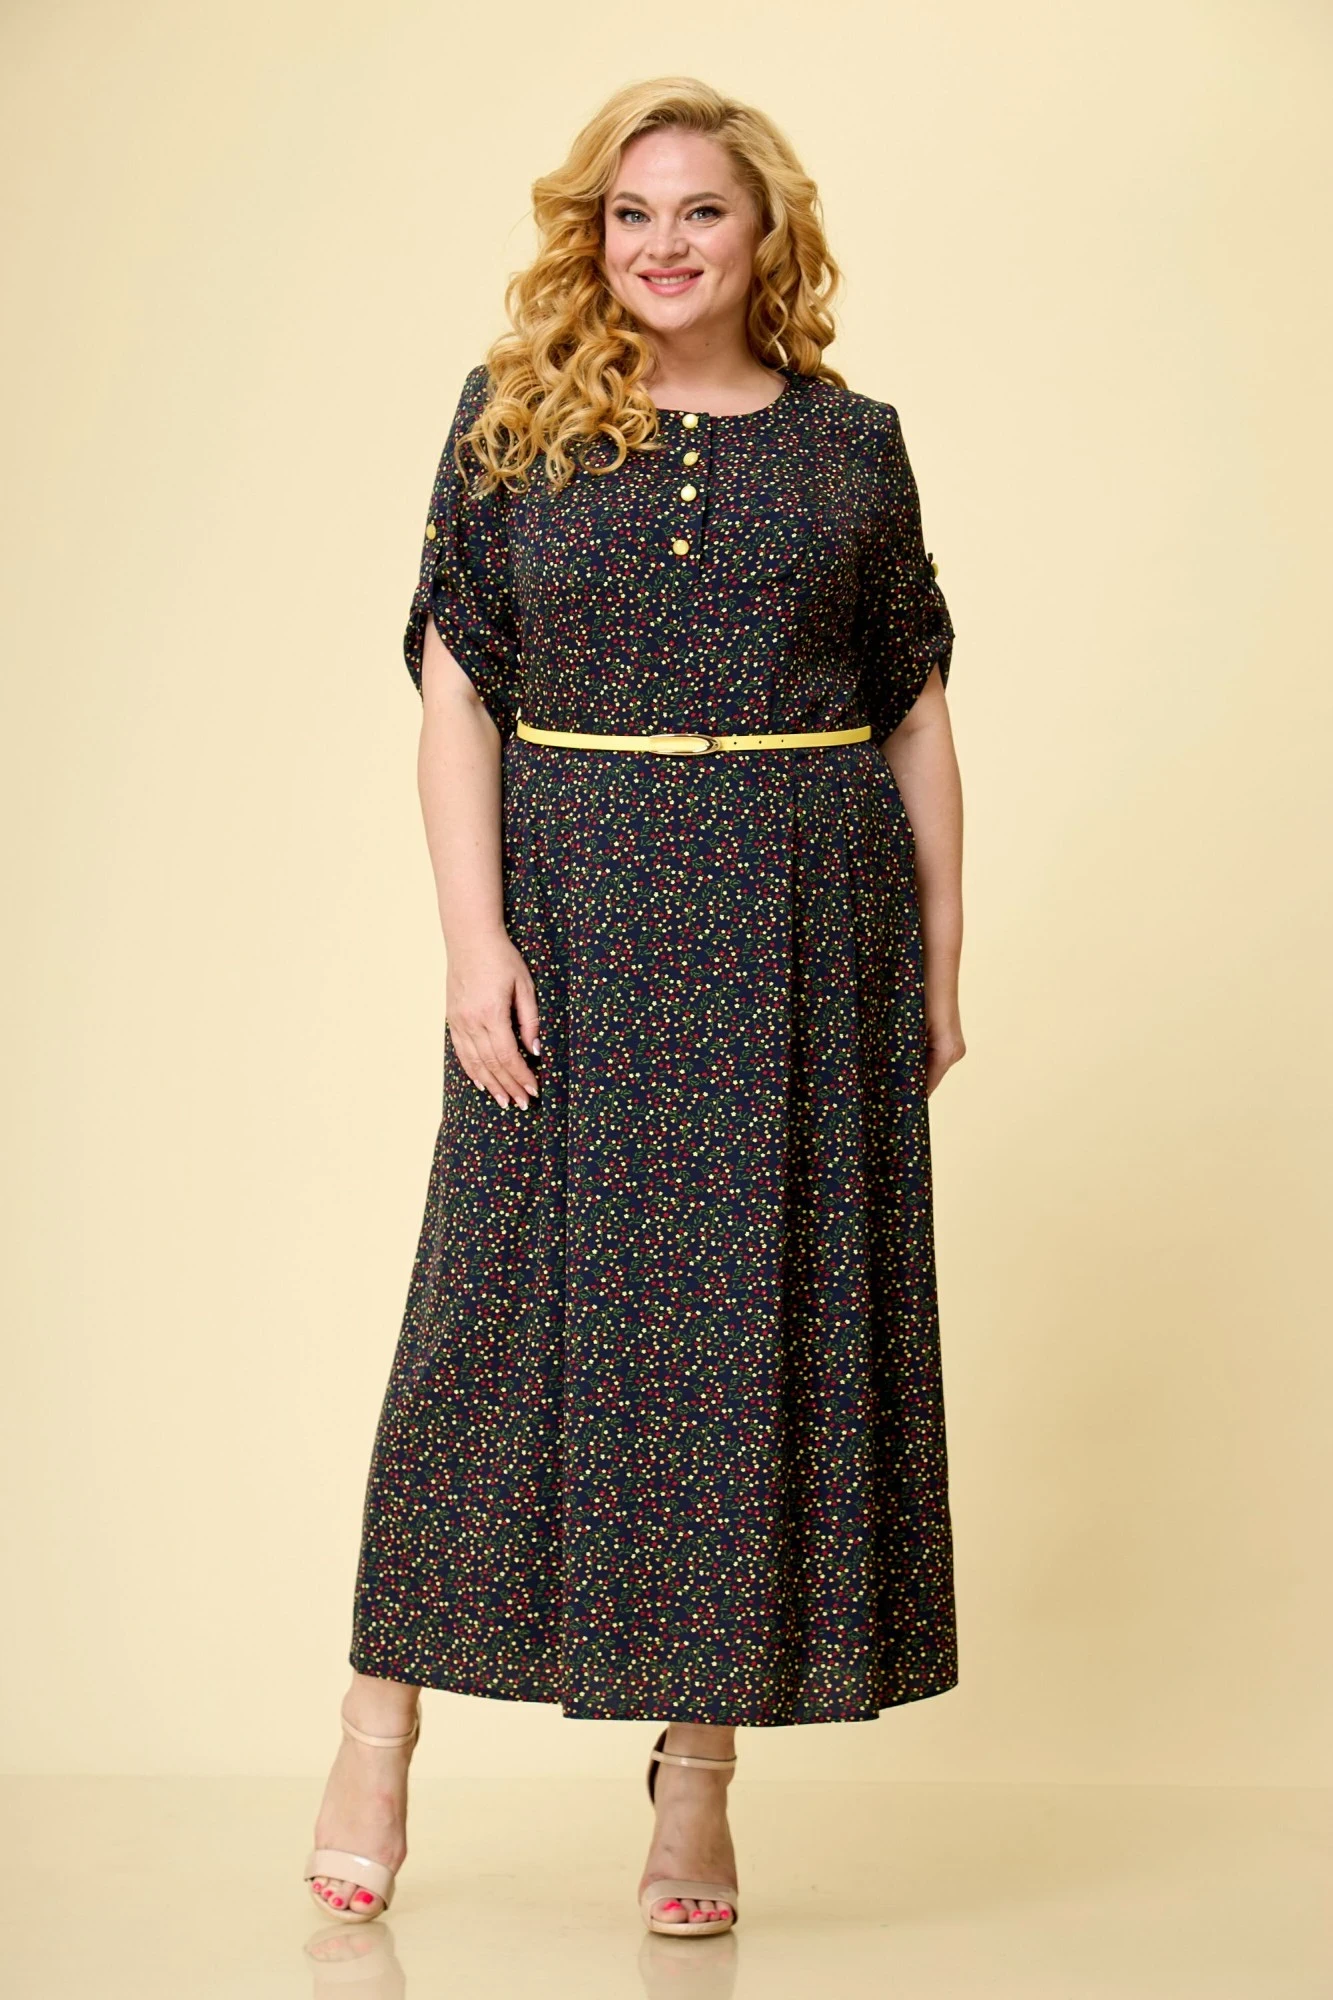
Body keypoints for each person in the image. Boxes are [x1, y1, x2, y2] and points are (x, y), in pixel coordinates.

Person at [304, 74, 965, 1939]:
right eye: (630, 213)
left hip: (800, 926)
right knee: (488, 1327)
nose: (663, 244)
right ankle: (374, 1738)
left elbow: (916, 712)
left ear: (768, 237)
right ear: (591, 237)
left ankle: (697, 1789)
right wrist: (473, 941)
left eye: (701, 212)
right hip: (578, 915)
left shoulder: (855, 447)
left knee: (736, 1352)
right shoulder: (510, 419)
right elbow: (456, 695)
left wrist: (937, 966)